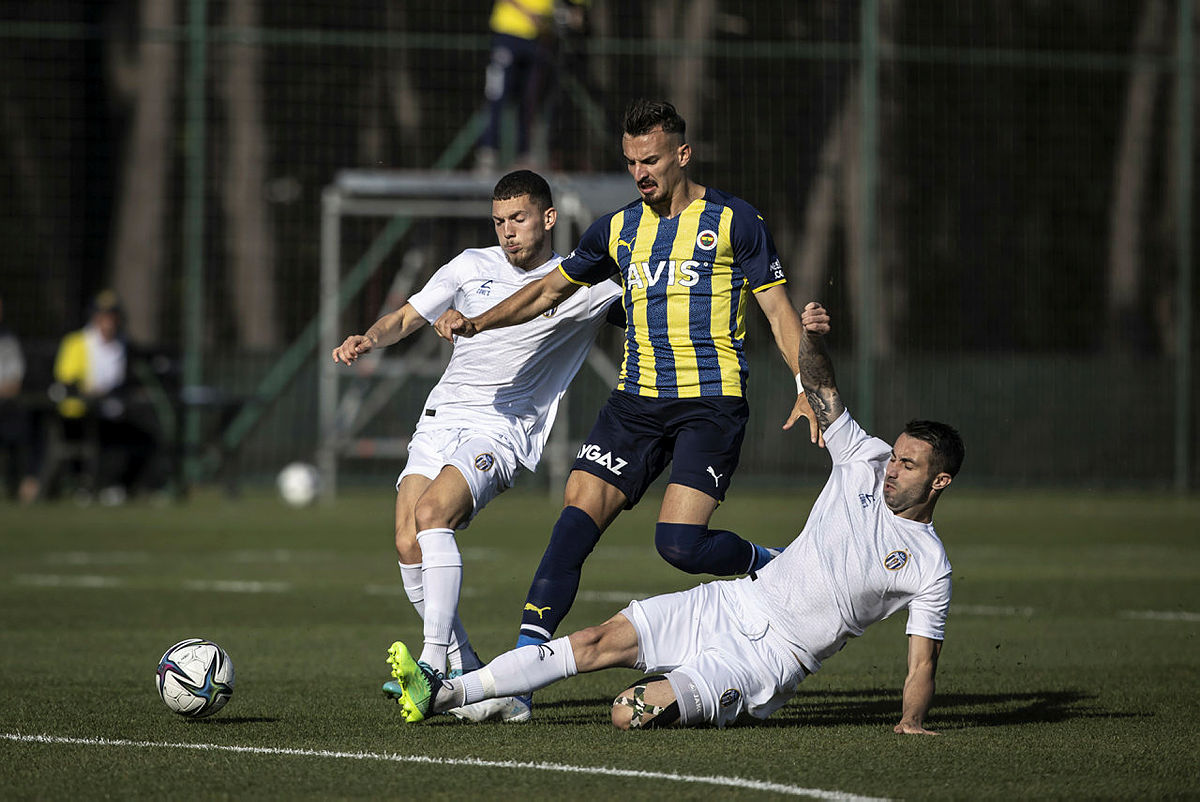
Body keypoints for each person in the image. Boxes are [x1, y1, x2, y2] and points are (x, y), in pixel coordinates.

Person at [387, 302, 964, 733]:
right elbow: (822, 388)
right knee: (592, 640)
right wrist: (807, 336)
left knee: (626, 712)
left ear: (938, 481)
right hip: (732, 602)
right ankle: (443, 694)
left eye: (908, 465)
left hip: (769, 659)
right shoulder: (864, 458)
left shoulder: (928, 565)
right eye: (895, 454)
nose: (892, 467)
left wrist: (910, 723)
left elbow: (922, 662)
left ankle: (685, 692)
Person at [436, 99, 822, 719]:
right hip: (635, 403)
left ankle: (774, 565)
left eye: (650, 160)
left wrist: (808, 385)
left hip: (709, 403)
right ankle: (520, 676)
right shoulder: (616, 229)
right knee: (575, 516)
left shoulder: (735, 221)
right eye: (630, 161)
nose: (639, 172)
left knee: (680, 545)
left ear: (682, 155)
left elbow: (778, 312)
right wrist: (479, 322)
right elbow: (547, 289)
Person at [331, 170, 621, 722]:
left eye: (518, 219)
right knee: (406, 540)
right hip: (442, 416)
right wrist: (369, 337)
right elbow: (405, 317)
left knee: (433, 513)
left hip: (503, 428)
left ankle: (434, 664)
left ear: (548, 218)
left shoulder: (587, 283)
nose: (507, 231)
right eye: (499, 221)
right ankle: (484, 686)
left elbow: (656, 309)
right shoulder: (469, 265)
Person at [49, 290, 156, 503]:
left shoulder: (123, 345)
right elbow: (66, 378)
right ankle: (84, 484)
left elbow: (131, 380)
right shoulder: (77, 342)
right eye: (103, 315)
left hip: (114, 410)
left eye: (112, 315)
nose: (108, 321)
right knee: (92, 439)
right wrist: (88, 389)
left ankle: (117, 486)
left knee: (144, 438)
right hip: (81, 412)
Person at [476, 0, 588, 172]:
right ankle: (488, 153)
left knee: (530, 101)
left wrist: (572, 12)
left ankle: (524, 155)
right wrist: (528, 14)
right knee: (497, 96)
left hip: (538, 40)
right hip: (508, 35)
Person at [0, 293, 40, 503]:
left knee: (27, 426)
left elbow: (14, 383)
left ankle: (27, 483)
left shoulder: (8, 341)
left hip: (5, 406)